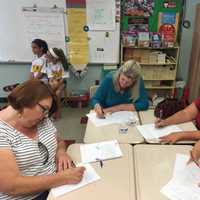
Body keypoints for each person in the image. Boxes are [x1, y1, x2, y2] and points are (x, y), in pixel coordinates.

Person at [0, 79, 85, 200]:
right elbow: (11, 186)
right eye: (43, 109)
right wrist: (62, 178)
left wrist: (61, 152)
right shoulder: (2, 131)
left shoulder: (41, 120)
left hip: (56, 188)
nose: (45, 116)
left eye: (47, 111)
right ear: (26, 100)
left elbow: (59, 141)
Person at [46, 48, 69, 119]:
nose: (46, 57)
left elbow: (63, 78)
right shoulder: (49, 64)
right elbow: (50, 78)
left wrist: (56, 86)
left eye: (48, 55)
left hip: (62, 82)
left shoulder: (62, 64)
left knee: (57, 93)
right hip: (53, 82)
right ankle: (52, 110)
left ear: (54, 58)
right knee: (49, 92)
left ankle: (58, 111)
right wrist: (51, 84)